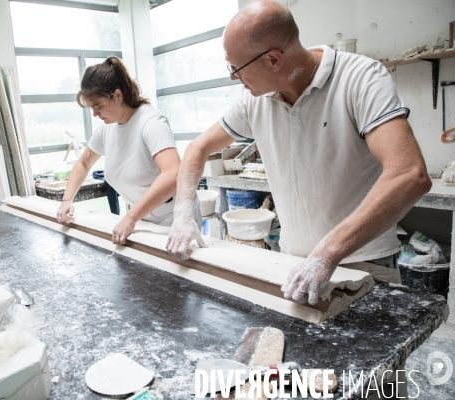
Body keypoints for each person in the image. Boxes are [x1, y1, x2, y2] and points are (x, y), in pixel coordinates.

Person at [166, 0, 431, 305]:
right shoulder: (255, 101)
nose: (233, 78)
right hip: (293, 265)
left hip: (363, 264)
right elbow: (197, 149)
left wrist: (326, 254)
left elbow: (409, 174)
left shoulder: (360, 78)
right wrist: (183, 213)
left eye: (236, 69)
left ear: (274, 60)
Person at [56, 57, 201, 245]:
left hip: (173, 221)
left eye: (98, 107)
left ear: (118, 95)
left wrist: (130, 217)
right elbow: (84, 163)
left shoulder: (151, 123)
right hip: (140, 219)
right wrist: (67, 200)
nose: (95, 114)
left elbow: (173, 174)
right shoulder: (106, 128)